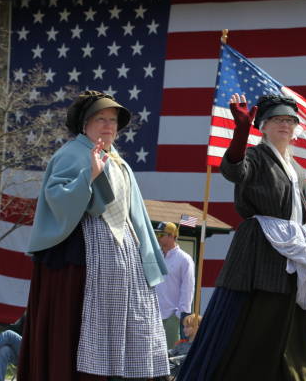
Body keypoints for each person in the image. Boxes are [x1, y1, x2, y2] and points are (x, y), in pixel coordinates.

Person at [178, 93, 306, 381]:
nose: (284, 125)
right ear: (263, 125)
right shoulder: (256, 156)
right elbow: (234, 170)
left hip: (295, 248)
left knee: (296, 314)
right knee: (258, 317)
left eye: (290, 120)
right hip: (260, 249)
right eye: (277, 120)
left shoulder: (298, 170)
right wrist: (240, 132)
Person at [17, 90, 170, 380]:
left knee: (131, 322)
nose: (108, 125)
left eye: (112, 120)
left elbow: (133, 212)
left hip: (124, 251)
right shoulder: (71, 154)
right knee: (83, 321)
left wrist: (146, 256)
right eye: (100, 118)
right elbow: (56, 198)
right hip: (86, 252)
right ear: (84, 124)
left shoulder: (118, 160)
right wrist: (89, 176)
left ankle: (120, 371)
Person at [154, 221, 196, 349]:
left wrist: (180, 314)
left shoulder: (184, 259)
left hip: (172, 316)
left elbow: (188, 288)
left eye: (162, 234)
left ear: (172, 236)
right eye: (157, 234)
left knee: (170, 357)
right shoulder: (156, 256)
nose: (158, 237)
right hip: (153, 315)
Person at [169, 314, 202, 379]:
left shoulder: (199, 346)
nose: (184, 330)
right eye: (184, 327)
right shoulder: (181, 343)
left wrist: (174, 360)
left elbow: (189, 357)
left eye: (187, 327)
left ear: (196, 327)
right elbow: (171, 352)